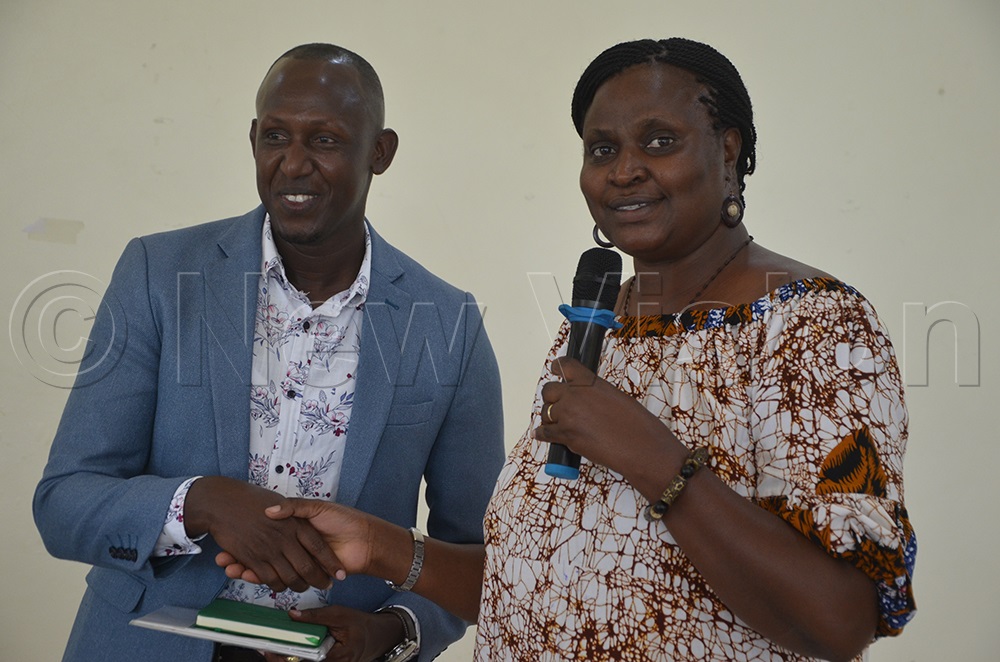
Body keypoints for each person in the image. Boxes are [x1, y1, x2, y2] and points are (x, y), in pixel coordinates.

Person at [220, 38, 917, 661]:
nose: (624, 172)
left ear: (728, 148)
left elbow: (840, 619)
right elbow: (546, 576)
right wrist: (379, 547)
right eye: (603, 149)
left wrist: (658, 463)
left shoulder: (814, 326)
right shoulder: (595, 325)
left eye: (660, 142)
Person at [32, 43, 505, 662]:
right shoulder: (160, 274)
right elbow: (64, 500)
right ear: (253, 138)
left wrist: (394, 633)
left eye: (327, 141)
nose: (294, 164)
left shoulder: (448, 323)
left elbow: (479, 556)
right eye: (276, 136)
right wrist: (202, 500)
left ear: (380, 152)